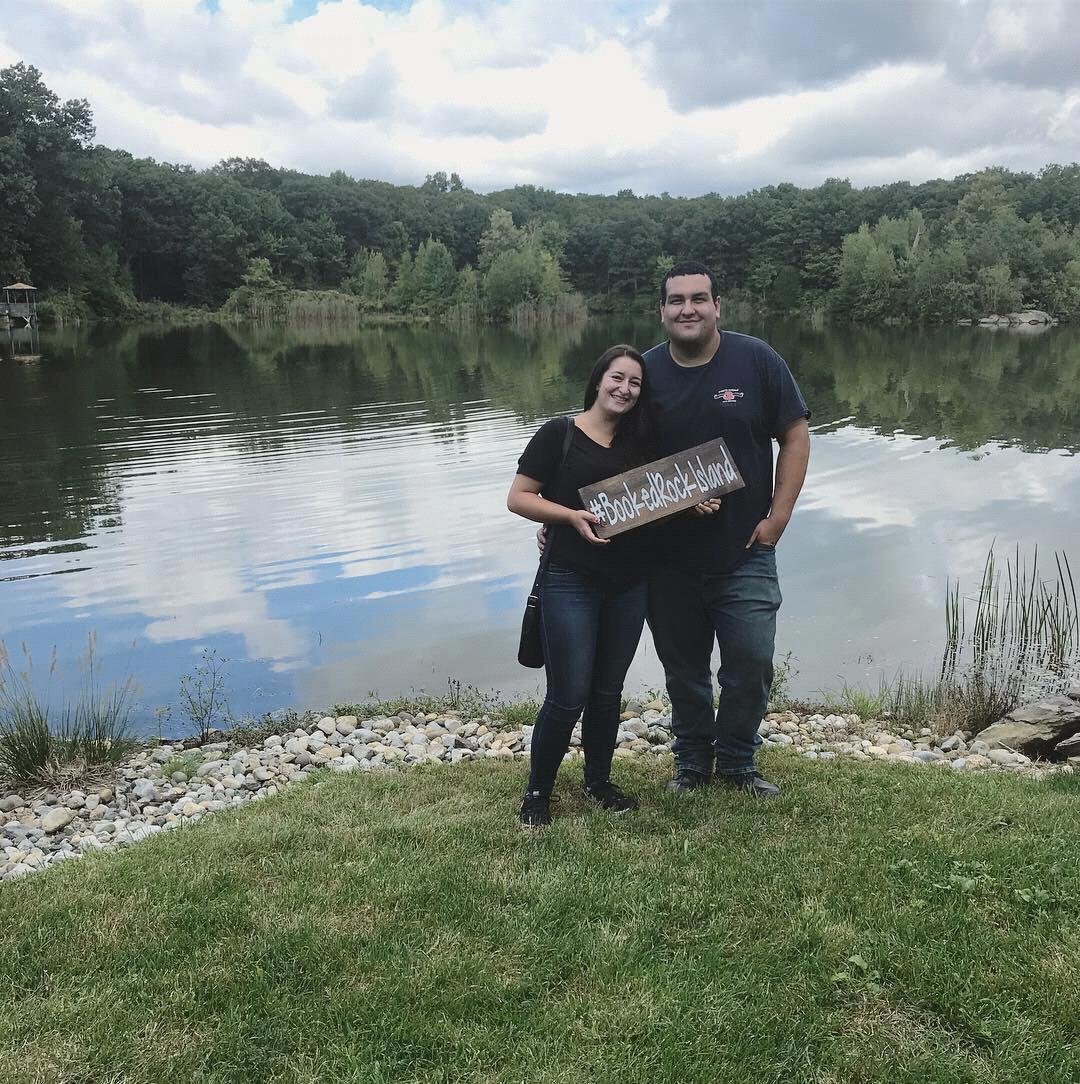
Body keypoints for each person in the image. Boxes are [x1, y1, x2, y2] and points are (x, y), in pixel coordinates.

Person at [645, 260, 810, 796]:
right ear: (662, 311)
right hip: (666, 558)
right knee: (683, 668)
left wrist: (778, 517)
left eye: (698, 298)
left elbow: (795, 435)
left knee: (752, 660)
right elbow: (608, 453)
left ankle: (739, 761)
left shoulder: (756, 360)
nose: (687, 309)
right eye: (676, 300)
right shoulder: (642, 373)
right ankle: (692, 763)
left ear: (717, 306)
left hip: (746, 549)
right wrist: (570, 514)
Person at [507, 346, 655, 827]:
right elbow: (519, 497)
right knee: (568, 694)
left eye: (635, 383)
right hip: (569, 580)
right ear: (597, 380)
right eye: (617, 378)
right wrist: (567, 516)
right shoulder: (559, 434)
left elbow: (662, 496)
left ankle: (599, 782)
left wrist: (696, 502)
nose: (625, 389)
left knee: (607, 691)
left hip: (628, 584)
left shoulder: (641, 444)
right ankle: (537, 793)